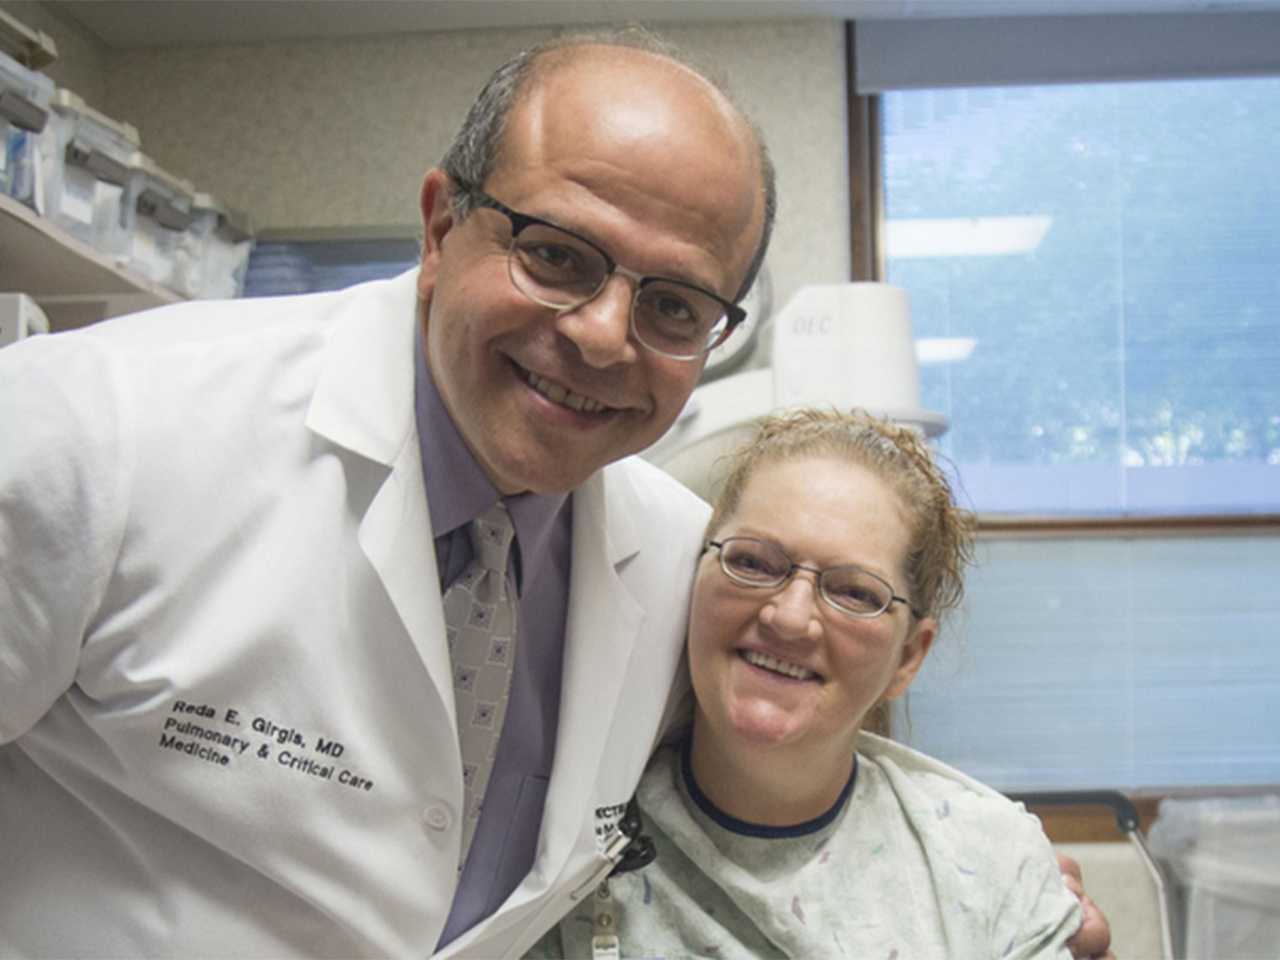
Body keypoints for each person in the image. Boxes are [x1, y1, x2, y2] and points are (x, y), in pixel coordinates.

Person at [0, 28, 1109, 960]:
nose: (602, 336)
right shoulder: (94, 427)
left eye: (673, 306)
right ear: (440, 226)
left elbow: (789, 731)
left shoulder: (676, 559)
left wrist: (991, 873)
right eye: (557, 255)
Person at [529, 409, 1102, 959]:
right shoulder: (562, 838)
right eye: (753, 563)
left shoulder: (990, 867)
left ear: (908, 656)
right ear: (691, 577)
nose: (789, 617)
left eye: (855, 593)